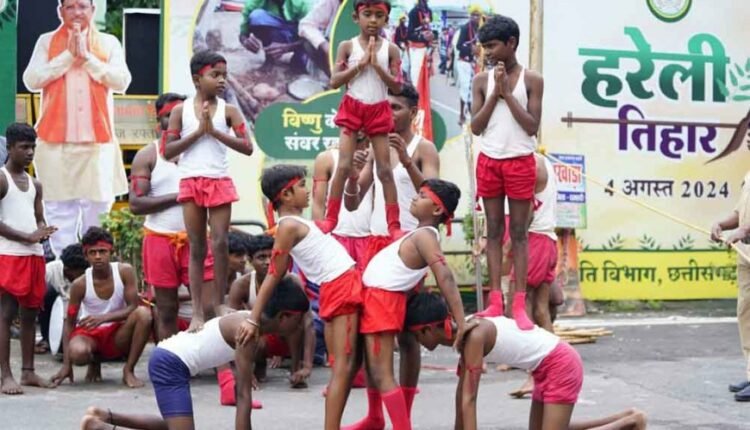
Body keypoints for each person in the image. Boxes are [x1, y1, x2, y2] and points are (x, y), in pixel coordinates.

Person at [80, 277, 310, 430]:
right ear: (284, 317)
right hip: (170, 363)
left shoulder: (250, 322)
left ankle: (104, 416)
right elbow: (242, 397)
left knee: (174, 425)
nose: (300, 326)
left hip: (170, 358)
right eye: (299, 320)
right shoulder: (248, 332)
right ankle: (100, 428)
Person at [405, 293, 647, 430]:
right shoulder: (465, 335)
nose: (416, 342)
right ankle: (625, 417)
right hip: (544, 367)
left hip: (561, 364)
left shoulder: (474, 336)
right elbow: (462, 395)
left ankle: (632, 422)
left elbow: (470, 399)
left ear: (428, 329)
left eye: (416, 336)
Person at [239, 164, 359, 430]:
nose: (308, 191)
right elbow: (274, 273)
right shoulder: (289, 226)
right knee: (343, 368)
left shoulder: (300, 223)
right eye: (302, 186)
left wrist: (343, 175)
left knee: (346, 366)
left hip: (341, 285)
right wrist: (253, 318)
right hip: (340, 286)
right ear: (286, 195)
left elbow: (329, 221)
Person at [343, 179, 468, 430]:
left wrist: (461, 320)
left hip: (382, 301)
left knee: (382, 373)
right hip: (377, 298)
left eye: (422, 196)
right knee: (372, 365)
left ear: (437, 209)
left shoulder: (425, 236)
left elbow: (444, 276)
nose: (414, 198)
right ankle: (375, 417)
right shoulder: (418, 233)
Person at [23, 0, 132, 258]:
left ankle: (96, 269)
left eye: (82, 6)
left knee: (99, 210)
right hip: (55, 144)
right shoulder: (47, 42)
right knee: (59, 211)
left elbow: (122, 81)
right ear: (60, 11)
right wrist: (68, 57)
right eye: (70, 7)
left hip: (98, 143)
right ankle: (67, 269)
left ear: (93, 10)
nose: (77, 12)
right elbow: (31, 80)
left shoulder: (108, 43)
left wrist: (88, 59)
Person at [164, 50, 254, 329]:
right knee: (197, 247)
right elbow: (168, 151)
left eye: (224, 75)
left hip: (218, 181)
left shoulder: (229, 111)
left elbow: (247, 147)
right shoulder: (180, 111)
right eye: (215, 75)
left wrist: (214, 132)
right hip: (191, 180)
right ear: (196, 79)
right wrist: (198, 132)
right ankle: (197, 314)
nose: (222, 80)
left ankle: (218, 303)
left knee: (220, 242)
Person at [470, 15, 544, 329]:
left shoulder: (532, 80)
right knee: (494, 232)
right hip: (489, 160)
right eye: (484, 46)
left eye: (492, 45)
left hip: (520, 161)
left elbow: (531, 126)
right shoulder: (480, 81)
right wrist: (494, 94)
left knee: (519, 234)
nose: (487, 52)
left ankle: (519, 306)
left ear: (511, 43)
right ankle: (495, 302)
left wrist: (508, 95)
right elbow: (476, 126)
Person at [130, 92, 216, 340]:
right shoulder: (148, 155)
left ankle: (213, 359)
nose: (176, 119)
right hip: (160, 239)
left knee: (209, 308)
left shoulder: (204, 153)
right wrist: (180, 196)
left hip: (197, 239)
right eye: (170, 115)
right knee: (167, 311)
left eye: (181, 114)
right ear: (159, 120)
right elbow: (136, 204)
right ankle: (168, 360)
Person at [329, 0, 404, 241]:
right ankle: (330, 219)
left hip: (378, 108)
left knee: (384, 169)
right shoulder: (347, 46)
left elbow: (397, 85)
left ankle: (393, 224)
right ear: (356, 17)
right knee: (343, 165)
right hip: (353, 106)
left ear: (386, 20)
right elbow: (335, 81)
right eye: (367, 14)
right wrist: (360, 65)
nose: (373, 20)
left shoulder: (391, 50)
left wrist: (377, 67)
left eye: (379, 15)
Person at [51, 227, 153, 388]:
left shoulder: (124, 271)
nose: (98, 256)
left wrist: (103, 318)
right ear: (86, 256)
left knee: (144, 314)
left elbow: (133, 306)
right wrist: (66, 365)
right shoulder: (80, 284)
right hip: (90, 333)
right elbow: (69, 322)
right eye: (92, 252)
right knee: (78, 352)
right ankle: (94, 361)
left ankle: (129, 370)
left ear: (111, 251)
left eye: (102, 251)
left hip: (119, 333)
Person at [0, 123, 57, 395]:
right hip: (9, 254)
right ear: (10, 148)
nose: (30, 152)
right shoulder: (2, 179)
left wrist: (43, 231)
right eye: (24, 147)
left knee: (30, 314)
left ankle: (28, 371)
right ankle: (5, 376)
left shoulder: (35, 184)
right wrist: (27, 236)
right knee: (5, 314)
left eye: (33, 147)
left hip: (34, 255)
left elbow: (38, 218)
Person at [711, 149, 750, 401]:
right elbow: (740, 213)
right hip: (746, 254)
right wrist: (722, 225)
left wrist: (745, 230)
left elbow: (745, 225)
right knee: (746, 314)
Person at [312, 133, 373, 271]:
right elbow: (318, 205)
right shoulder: (327, 158)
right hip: (335, 238)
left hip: (369, 240)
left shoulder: (376, 157)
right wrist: (319, 241)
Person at [37, 243, 89, 354]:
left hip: (78, 318)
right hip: (53, 317)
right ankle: (46, 339)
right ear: (67, 269)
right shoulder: (49, 271)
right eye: (79, 273)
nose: (82, 276)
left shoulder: (89, 274)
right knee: (46, 292)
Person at [239, 0, 315, 69]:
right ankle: (270, 57)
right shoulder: (255, 2)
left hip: (300, 38)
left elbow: (314, 39)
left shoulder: (303, 3)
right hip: (281, 31)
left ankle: (299, 55)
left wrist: (288, 47)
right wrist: (245, 41)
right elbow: (243, 33)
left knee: (300, 64)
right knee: (256, 16)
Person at [298, 0, 342, 77]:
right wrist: (326, 47)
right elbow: (305, 24)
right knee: (309, 43)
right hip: (334, 51)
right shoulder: (332, 2)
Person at [456, 5, 482, 125]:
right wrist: (471, 49)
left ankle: (471, 114)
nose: (475, 17)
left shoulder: (481, 29)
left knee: (474, 89)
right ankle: (464, 115)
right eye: (473, 15)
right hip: (464, 63)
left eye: (477, 15)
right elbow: (459, 46)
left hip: (476, 63)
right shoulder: (465, 28)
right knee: (465, 88)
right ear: (470, 16)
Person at [406, 0, 433, 86]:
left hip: (427, 47)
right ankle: (415, 92)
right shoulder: (413, 12)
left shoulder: (429, 11)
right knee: (416, 73)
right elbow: (409, 35)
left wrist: (431, 36)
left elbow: (428, 27)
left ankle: (422, 92)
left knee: (426, 72)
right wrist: (422, 37)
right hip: (416, 48)